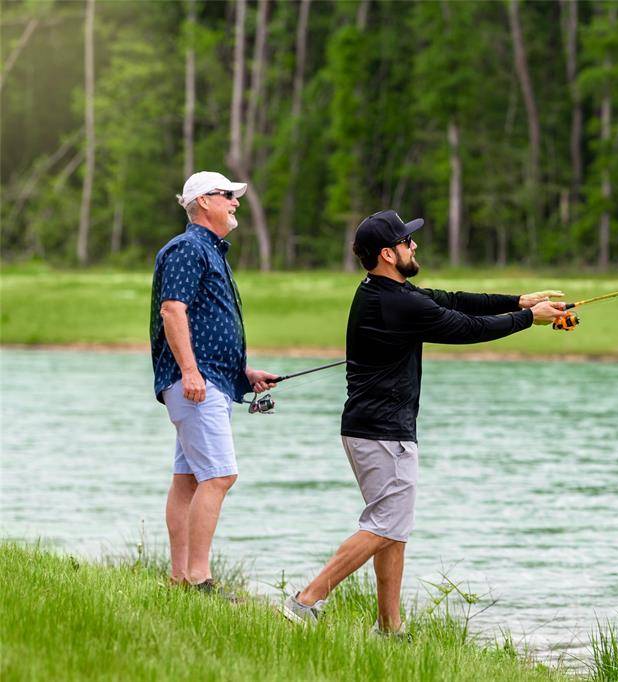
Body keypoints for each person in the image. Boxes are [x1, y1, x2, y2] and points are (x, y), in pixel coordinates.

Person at [281, 209, 566, 629]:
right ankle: (305, 601)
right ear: (388, 254)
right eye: (406, 241)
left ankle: (390, 628)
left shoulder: (386, 292)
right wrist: (528, 319)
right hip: (383, 433)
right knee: (383, 525)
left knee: (393, 528)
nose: (414, 245)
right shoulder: (396, 303)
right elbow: (466, 327)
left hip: (370, 429)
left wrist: (519, 301)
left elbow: (450, 300)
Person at [150, 171, 278, 591]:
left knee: (188, 480)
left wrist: (243, 373)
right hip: (196, 384)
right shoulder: (188, 248)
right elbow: (173, 311)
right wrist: (190, 371)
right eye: (228, 196)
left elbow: (204, 324)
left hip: (211, 381)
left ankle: (179, 578)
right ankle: (200, 578)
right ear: (204, 201)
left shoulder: (210, 251)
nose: (235, 202)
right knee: (220, 476)